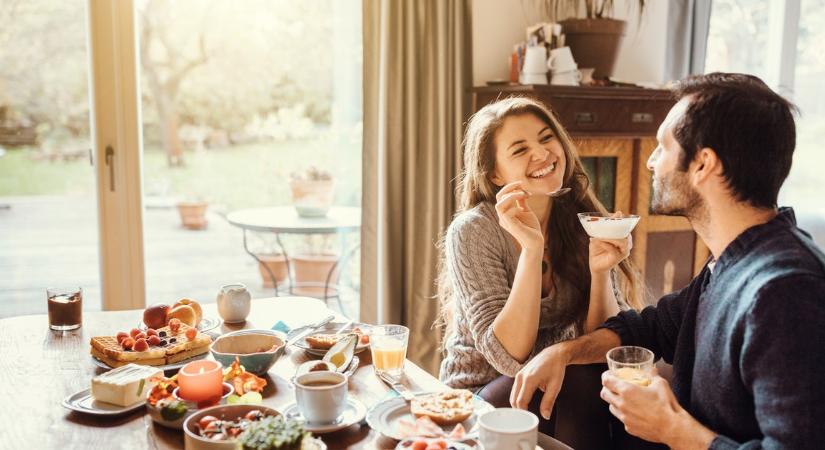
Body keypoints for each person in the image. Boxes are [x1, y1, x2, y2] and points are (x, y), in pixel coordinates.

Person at [510, 73, 825, 449]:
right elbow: (651, 327)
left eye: (663, 147)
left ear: (704, 164)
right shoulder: (730, 263)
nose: (650, 162)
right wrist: (564, 352)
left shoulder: (785, 292)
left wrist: (673, 429)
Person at [437, 96, 644, 447]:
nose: (543, 154)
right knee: (577, 381)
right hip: (478, 396)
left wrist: (600, 273)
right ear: (495, 173)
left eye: (547, 138)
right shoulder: (473, 231)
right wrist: (531, 251)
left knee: (597, 379)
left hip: (561, 383)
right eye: (520, 150)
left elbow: (602, 343)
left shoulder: (579, 219)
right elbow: (509, 356)